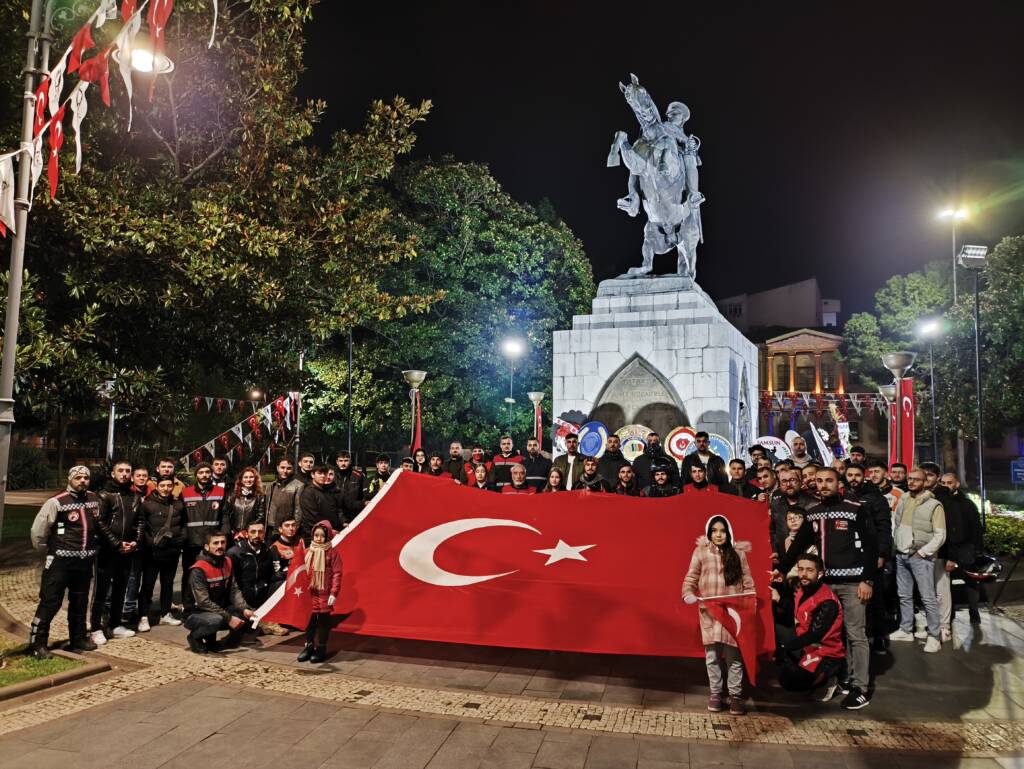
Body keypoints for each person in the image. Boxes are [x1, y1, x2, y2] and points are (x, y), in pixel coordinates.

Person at [777, 467, 878, 710]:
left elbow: (871, 546)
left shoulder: (856, 509)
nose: (823, 485)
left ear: (838, 482)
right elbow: (799, 543)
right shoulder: (813, 514)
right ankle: (842, 678)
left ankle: (860, 687)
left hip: (854, 583)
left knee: (856, 634)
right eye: (819, 481)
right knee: (830, 635)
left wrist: (868, 580)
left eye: (829, 480)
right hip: (826, 586)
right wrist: (782, 569)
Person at [29, 467, 120, 657]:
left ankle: (77, 639)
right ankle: (37, 644)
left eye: (86, 477)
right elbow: (38, 531)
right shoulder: (56, 502)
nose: (83, 480)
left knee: (79, 602)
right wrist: (49, 548)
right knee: (50, 602)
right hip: (60, 563)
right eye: (78, 477)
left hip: (84, 562)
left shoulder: (94, 499)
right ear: (70, 479)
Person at [683, 515, 755, 715]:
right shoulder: (700, 552)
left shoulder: (738, 554)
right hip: (709, 612)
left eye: (722, 530)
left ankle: (735, 696)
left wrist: (750, 603)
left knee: (734, 656)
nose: (718, 534)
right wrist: (687, 593)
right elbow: (691, 576)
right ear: (709, 533)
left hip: (732, 614)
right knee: (712, 656)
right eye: (714, 531)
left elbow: (748, 582)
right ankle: (716, 693)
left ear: (728, 532)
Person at [771, 553, 846, 697]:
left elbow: (814, 634)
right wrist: (779, 599)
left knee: (790, 681)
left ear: (820, 573)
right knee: (773, 627)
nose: (804, 574)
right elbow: (795, 611)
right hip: (805, 646)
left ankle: (830, 679)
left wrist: (784, 648)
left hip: (826, 653)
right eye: (801, 569)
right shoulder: (802, 589)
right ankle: (798, 666)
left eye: (809, 570)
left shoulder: (827, 601)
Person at [889, 468, 945, 652]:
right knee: (904, 595)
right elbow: (897, 526)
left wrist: (922, 553)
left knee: (928, 598)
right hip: (901, 554)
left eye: (916, 479)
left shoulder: (934, 504)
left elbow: (940, 535)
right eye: (910, 479)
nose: (912, 482)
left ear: (925, 482)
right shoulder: (904, 498)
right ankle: (906, 629)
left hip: (920, 557)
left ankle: (934, 636)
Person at [90, 459, 143, 645]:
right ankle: (96, 627)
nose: (124, 474)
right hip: (107, 550)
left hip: (127, 551)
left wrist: (135, 542)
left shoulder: (135, 497)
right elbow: (99, 523)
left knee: (121, 588)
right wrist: (116, 543)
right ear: (113, 474)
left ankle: (115, 624)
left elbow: (139, 522)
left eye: (128, 471)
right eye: (120, 470)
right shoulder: (104, 495)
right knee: (101, 591)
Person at [183, 532, 254, 654]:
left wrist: (244, 608)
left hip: (218, 609)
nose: (220, 546)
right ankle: (195, 637)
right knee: (216, 620)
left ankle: (219, 640)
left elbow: (234, 589)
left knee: (247, 616)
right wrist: (229, 618)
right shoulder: (198, 569)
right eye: (215, 543)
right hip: (196, 612)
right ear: (206, 547)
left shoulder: (227, 561)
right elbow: (203, 602)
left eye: (223, 542)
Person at [137, 477, 186, 632]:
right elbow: (142, 527)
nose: (166, 488)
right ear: (156, 486)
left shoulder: (178, 504)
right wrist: (151, 542)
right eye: (163, 485)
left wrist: (181, 539)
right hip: (152, 552)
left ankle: (165, 613)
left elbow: (184, 524)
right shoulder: (147, 504)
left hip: (172, 551)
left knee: (168, 584)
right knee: (148, 585)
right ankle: (143, 616)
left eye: (169, 486)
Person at [181, 462, 229, 615]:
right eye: (201, 472)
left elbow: (225, 516)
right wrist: (184, 537)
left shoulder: (220, 492)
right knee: (189, 575)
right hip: (191, 542)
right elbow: (181, 518)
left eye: (207, 472)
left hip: (212, 544)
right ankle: (188, 607)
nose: (204, 475)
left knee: (212, 575)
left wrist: (223, 536)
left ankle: (212, 606)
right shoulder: (185, 492)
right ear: (196, 475)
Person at [227, 521, 288, 636]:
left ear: (264, 533)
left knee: (283, 583)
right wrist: (243, 606)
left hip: (261, 594)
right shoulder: (234, 553)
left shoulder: (267, 551)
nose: (256, 535)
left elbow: (271, 576)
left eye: (260, 532)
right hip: (242, 597)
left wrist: (289, 574)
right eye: (253, 532)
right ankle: (263, 623)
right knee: (245, 625)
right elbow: (232, 586)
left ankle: (267, 619)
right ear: (246, 534)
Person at [939, 473, 984, 625]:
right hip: (946, 548)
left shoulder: (966, 503)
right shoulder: (938, 501)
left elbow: (976, 528)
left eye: (949, 483)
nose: (946, 485)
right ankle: (949, 615)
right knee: (945, 583)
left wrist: (976, 549)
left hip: (965, 548)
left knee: (970, 581)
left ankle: (974, 610)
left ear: (956, 484)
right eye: (943, 483)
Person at [297, 521, 343, 663]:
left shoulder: (332, 553)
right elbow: (299, 571)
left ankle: (321, 647)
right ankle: (309, 645)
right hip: (309, 593)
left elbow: (337, 573)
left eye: (322, 536)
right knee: (309, 621)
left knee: (323, 622)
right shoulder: (306, 552)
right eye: (316, 535)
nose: (318, 538)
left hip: (324, 592)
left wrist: (334, 593)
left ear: (327, 536)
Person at [769, 469, 815, 551]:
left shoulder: (813, 504)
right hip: (784, 556)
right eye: (784, 481)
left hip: (807, 556)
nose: (788, 484)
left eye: (792, 480)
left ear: (800, 482)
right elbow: (773, 531)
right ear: (780, 485)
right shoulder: (775, 505)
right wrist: (775, 550)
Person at [299, 464, 342, 540]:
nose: (323, 476)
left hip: (327, 533)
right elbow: (312, 517)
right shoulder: (308, 492)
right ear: (312, 475)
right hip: (315, 536)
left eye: (325, 473)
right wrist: (328, 530)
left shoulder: (326, 491)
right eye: (319, 473)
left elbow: (333, 510)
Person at [223, 467, 266, 537]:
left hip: (251, 534)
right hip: (234, 534)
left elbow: (260, 516)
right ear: (241, 480)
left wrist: (245, 530)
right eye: (245, 477)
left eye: (251, 477)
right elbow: (227, 513)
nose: (248, 480)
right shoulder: (233, 495)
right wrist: (232, 530)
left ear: (255, 479)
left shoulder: (260, 496)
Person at [266, 458, 304, 538]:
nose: (285, 471)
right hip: (270, 526)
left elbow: (298, 510)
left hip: (287, 527)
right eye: (282, 468)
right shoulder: (272, 485)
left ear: (293, 469)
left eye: (288, 468)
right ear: (277, 468)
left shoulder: (298, 485)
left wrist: (294, 527)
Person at [334, 451, 365, 521]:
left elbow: (363, 496)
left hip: (354, 515)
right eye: (341, 461)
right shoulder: (332, 476)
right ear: (337, 462)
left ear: (350, 461)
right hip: (336, 515)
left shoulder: (359, 475)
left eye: (346, 461)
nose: (343, 463)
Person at [269, 515, 302, 580]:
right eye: (287, 526)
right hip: (283, 584)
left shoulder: (301, 542)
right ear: (280, 529)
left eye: (293, 525)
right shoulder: (275, 548)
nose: (291, 528)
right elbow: (277, 575)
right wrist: (296, 571)